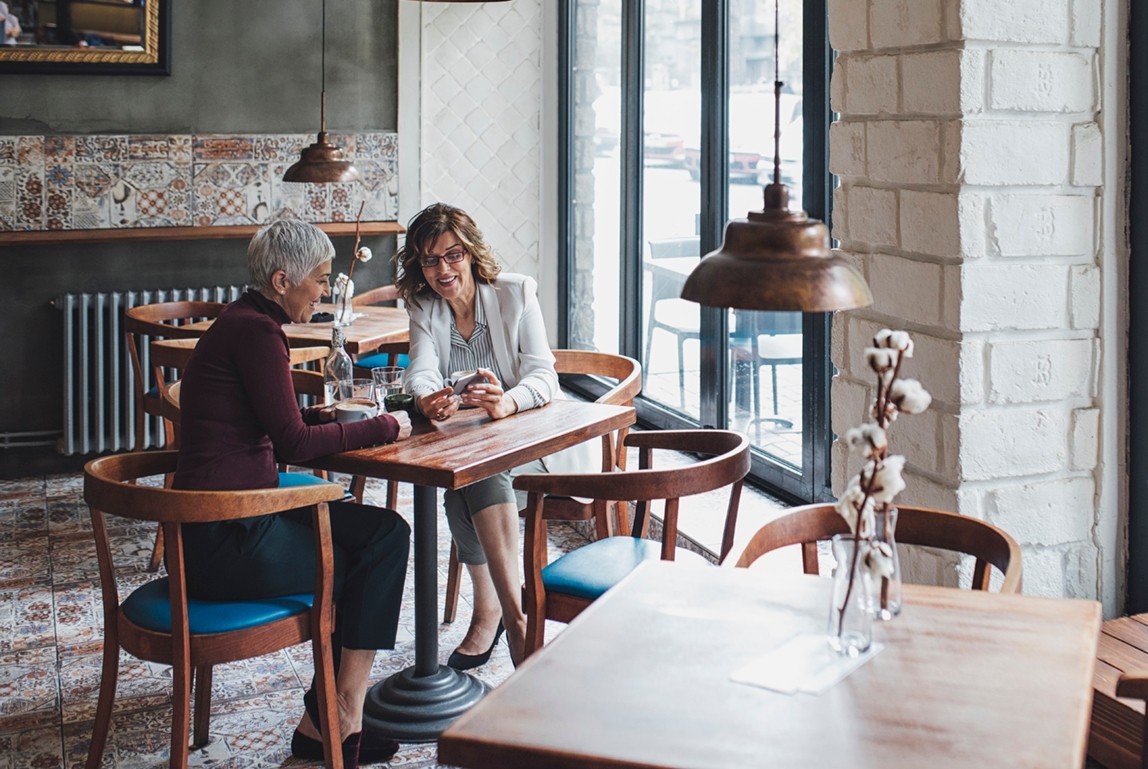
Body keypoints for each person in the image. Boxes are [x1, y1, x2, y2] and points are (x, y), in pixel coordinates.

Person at [173, 219, 413, 769]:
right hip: (228, 538)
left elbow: (272, 424)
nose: (324, 292)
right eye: (320, 280)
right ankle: (338, 717)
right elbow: (295, 445)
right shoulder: (258, 333)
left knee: (386, 535)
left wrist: (321, 414)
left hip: (236, 516)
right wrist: (383, 425)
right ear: (282, 280)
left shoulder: (242, 322)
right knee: (370, 555)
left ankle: (328, 719)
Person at [393, 203, 596, 667]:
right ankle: (497, 612)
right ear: (418, 266)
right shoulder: (423, 304)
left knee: (477, 478)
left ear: (471, 253)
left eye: (452, 255)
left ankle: (510, 616)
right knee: (459, 483)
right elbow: (420, 371)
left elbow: (545, 378)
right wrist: (427, 398)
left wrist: (507, 401)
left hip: (540, 444)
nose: (442, 269)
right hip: (478, 442)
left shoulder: (516, 293)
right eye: (429, 259)